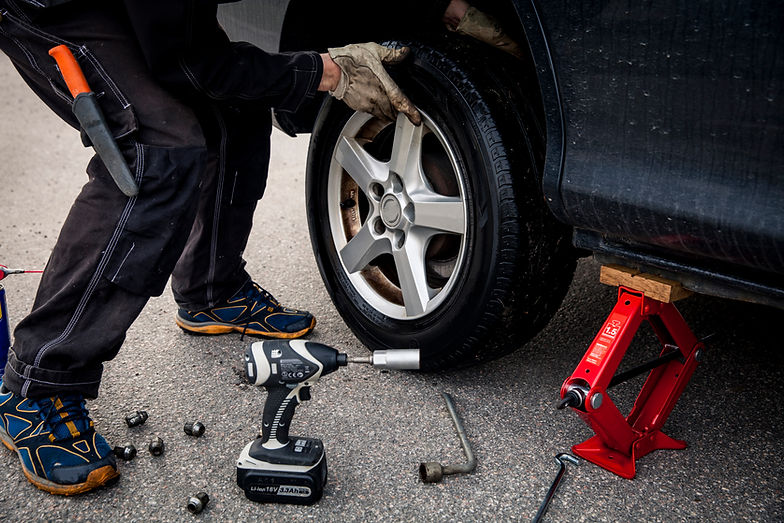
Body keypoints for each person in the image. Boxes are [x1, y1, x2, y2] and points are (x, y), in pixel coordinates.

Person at [0, 0, 521, 495]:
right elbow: (187, 63)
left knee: (235, 103)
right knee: (155, 150)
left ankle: (210, 290)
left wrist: (435, 8)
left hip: (150, 12)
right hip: (54, 8)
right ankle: (37, 384)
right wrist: (327, 72)